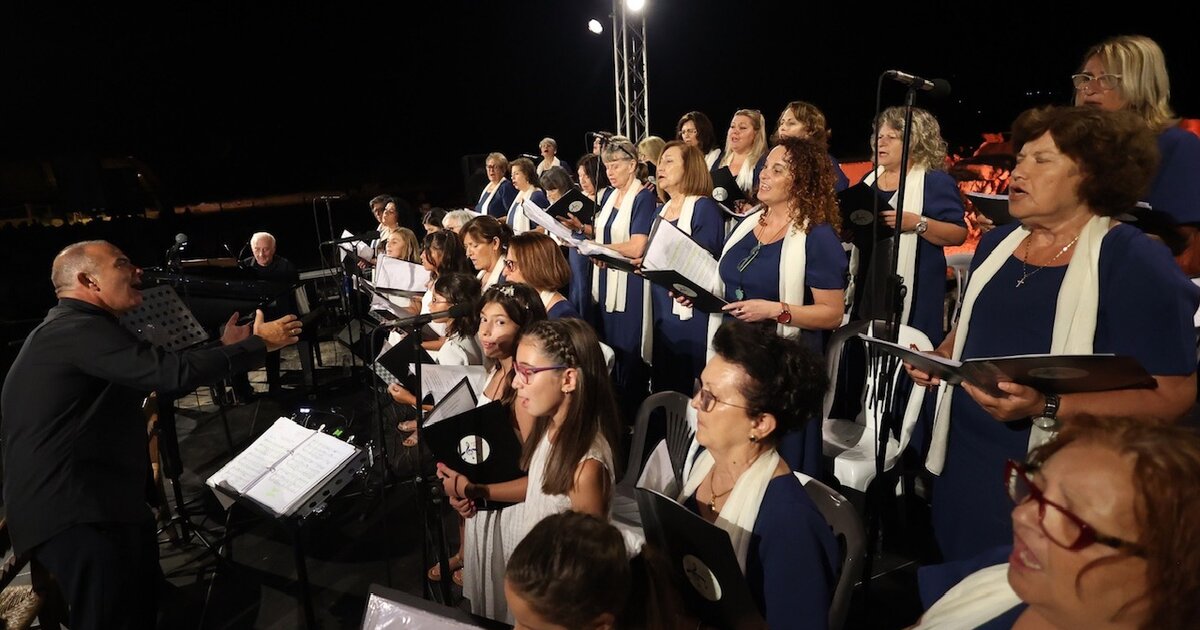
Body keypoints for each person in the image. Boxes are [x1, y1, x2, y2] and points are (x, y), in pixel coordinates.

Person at [905, 106, 1200, 562]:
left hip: (1062, 484)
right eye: (1020, 159)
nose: (1018, 172)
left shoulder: (1134, 261)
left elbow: (1174, 395)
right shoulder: (995, 244)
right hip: (966, 467)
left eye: (1041, 160)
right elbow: (971, 331)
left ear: (1092, 175)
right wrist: (941, 359)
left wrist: (1047, 405)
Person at [0, 240, 300, 630]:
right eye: (122, 263)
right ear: (88, 280)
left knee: (141, 608)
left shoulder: (84, 328)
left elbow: (156, 374)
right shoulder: (74, 330)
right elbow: (170, 373)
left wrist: (225, 347)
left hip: (101, 501)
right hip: (72, 511)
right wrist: (259, 344)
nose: (138, 270)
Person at [916, 416, 1200, 629]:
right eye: (1035, 490)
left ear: (1171, 573)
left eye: (1070, 517)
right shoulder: (1003, 568)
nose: (1020, 515)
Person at [676, 320, 839, 629]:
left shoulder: (790, 525)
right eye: (699, 389)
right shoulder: (704, 463)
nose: (696, 403)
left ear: (760, 424)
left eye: (710, 397)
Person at [439, 318, 620, 562]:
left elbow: (589, 563)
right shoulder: (548, 428)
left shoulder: (585, 468)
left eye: (528, 372)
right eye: (516, 370)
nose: (515, 382)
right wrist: (474, 490)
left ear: (568, 380)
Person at [439, 282, 547, 620]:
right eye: (484, 319)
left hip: (514, 517)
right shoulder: (495, 372)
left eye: (500, 322)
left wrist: (474, 489)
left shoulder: (524, 392)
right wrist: (460, 486)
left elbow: (539, 482)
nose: (485, 331)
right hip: (487, 510)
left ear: (524, 328)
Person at [1072, 34, 1200, 274]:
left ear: (1141, 85)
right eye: (1085, 78)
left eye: (1106, 79)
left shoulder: (1176, 145)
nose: (1090, 88)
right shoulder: (1071, 148)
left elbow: (1180, 243)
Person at [859, 106, 967, 346]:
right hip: (870, 280)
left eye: (891, 137)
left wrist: (917, 223)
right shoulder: (869, 180)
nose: (881, 142)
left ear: (915, 142)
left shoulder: (934, 181)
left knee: (909, 349)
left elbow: (958, 234)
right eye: (879, 136)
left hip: (915, 286)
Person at [649, 141, 725, 395]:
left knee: (692, 383)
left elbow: (704, 264)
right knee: (666, 380)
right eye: (660, 161)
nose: (660, 167)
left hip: (691, 311)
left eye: (669, 161)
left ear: (690, 168)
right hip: (662, 306)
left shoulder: (704, 208)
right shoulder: (660, 211)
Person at [591, 138, 658, 418]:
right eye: (607, 166)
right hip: (607, 281)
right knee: (611, 348)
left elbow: (636, 246)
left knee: (629, 353)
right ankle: (615, 412)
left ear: (632, 165)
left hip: (630, 286)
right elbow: (606, 233)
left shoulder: (643, 197)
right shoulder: (608, 196)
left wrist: (598, 248)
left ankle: (633, 415)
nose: (610, 171)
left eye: (615, 165)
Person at [390, 272, 483, 447]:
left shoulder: (453, 350)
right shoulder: (475, 333)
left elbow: (451, 407)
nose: (429, 305)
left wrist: (408, 399)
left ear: (455, 307)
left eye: (435, 300)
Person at [233, 231, 299, 398]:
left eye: (266, 249)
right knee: (235, 344)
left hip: (275, 315)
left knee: (271, 338)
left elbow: (290, 296)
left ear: (274, 249)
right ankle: (242, 391)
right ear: (252, 249)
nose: (261, 254)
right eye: (257, 249)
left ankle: (274, 386)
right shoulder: (244, 267)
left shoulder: (285, 267)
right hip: (249, 317)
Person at [773, 101, 849, 192]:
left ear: (810, 130)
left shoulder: (823, 161)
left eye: (791, 123)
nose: (782, 128)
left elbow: (840, 191)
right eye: (782, 123)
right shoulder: (769, 158)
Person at [504, 232, 579, 319]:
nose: (504, 272)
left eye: (510, 264)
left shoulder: (562, 316)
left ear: (533, 266)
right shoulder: (530, 305)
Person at [716, 109, 768, 203]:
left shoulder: (762, 164)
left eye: (742, 128)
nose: (735, 131)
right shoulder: (720, 160)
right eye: (732, 126)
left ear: (756, 133)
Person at [461, 215, 513, 291]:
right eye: (466, 247)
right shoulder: (480, 276)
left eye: (475, 246)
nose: (468, 253)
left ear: (495, 243)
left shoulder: (508, 278)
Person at [505, 157, 550, 234]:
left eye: (516, 174)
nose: (512, 177)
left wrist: (521, 236)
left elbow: (543, 229)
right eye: (512, 174)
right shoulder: (520, 194)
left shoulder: (536, 197)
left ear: (527, 175)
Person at [476, 152, 518, 218]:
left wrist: (498, 221)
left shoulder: (506, 187)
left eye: (495, 167)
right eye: (489, 167)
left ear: (503, 170)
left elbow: (513, 214)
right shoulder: (487, 187)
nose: (491, 170)